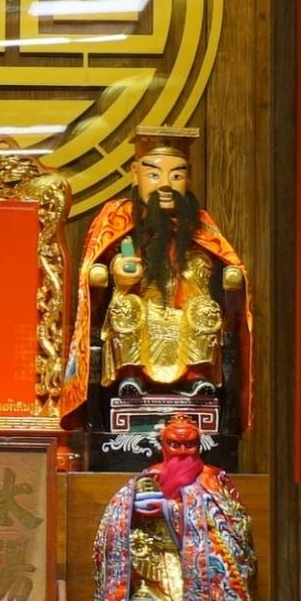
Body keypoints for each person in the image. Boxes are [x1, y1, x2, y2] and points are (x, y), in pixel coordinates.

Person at [72, 127, 253, 434]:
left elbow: (226, 265)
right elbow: (94, 272)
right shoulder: (117, 219)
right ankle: (130, 376)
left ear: (188, 179)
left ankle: (197, 378)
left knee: (206, 310)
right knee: (126, 309)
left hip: (185, 307)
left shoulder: (201, 226)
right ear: (135, 175)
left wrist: (227, 275)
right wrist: (117, 272)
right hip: (141, 305)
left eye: (177, 175)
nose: (166, 184)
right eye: (154, 175)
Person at [91, 414, 268, 601]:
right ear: (162, 445)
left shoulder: (213, 479)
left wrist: (170, 509)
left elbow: (236, 525)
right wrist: (131, 509)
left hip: (207, 582)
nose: (183, 451)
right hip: (157, 579)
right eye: (175, 445)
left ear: (200, 445)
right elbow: (118, 524)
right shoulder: (148, 477)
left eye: (190, 445)